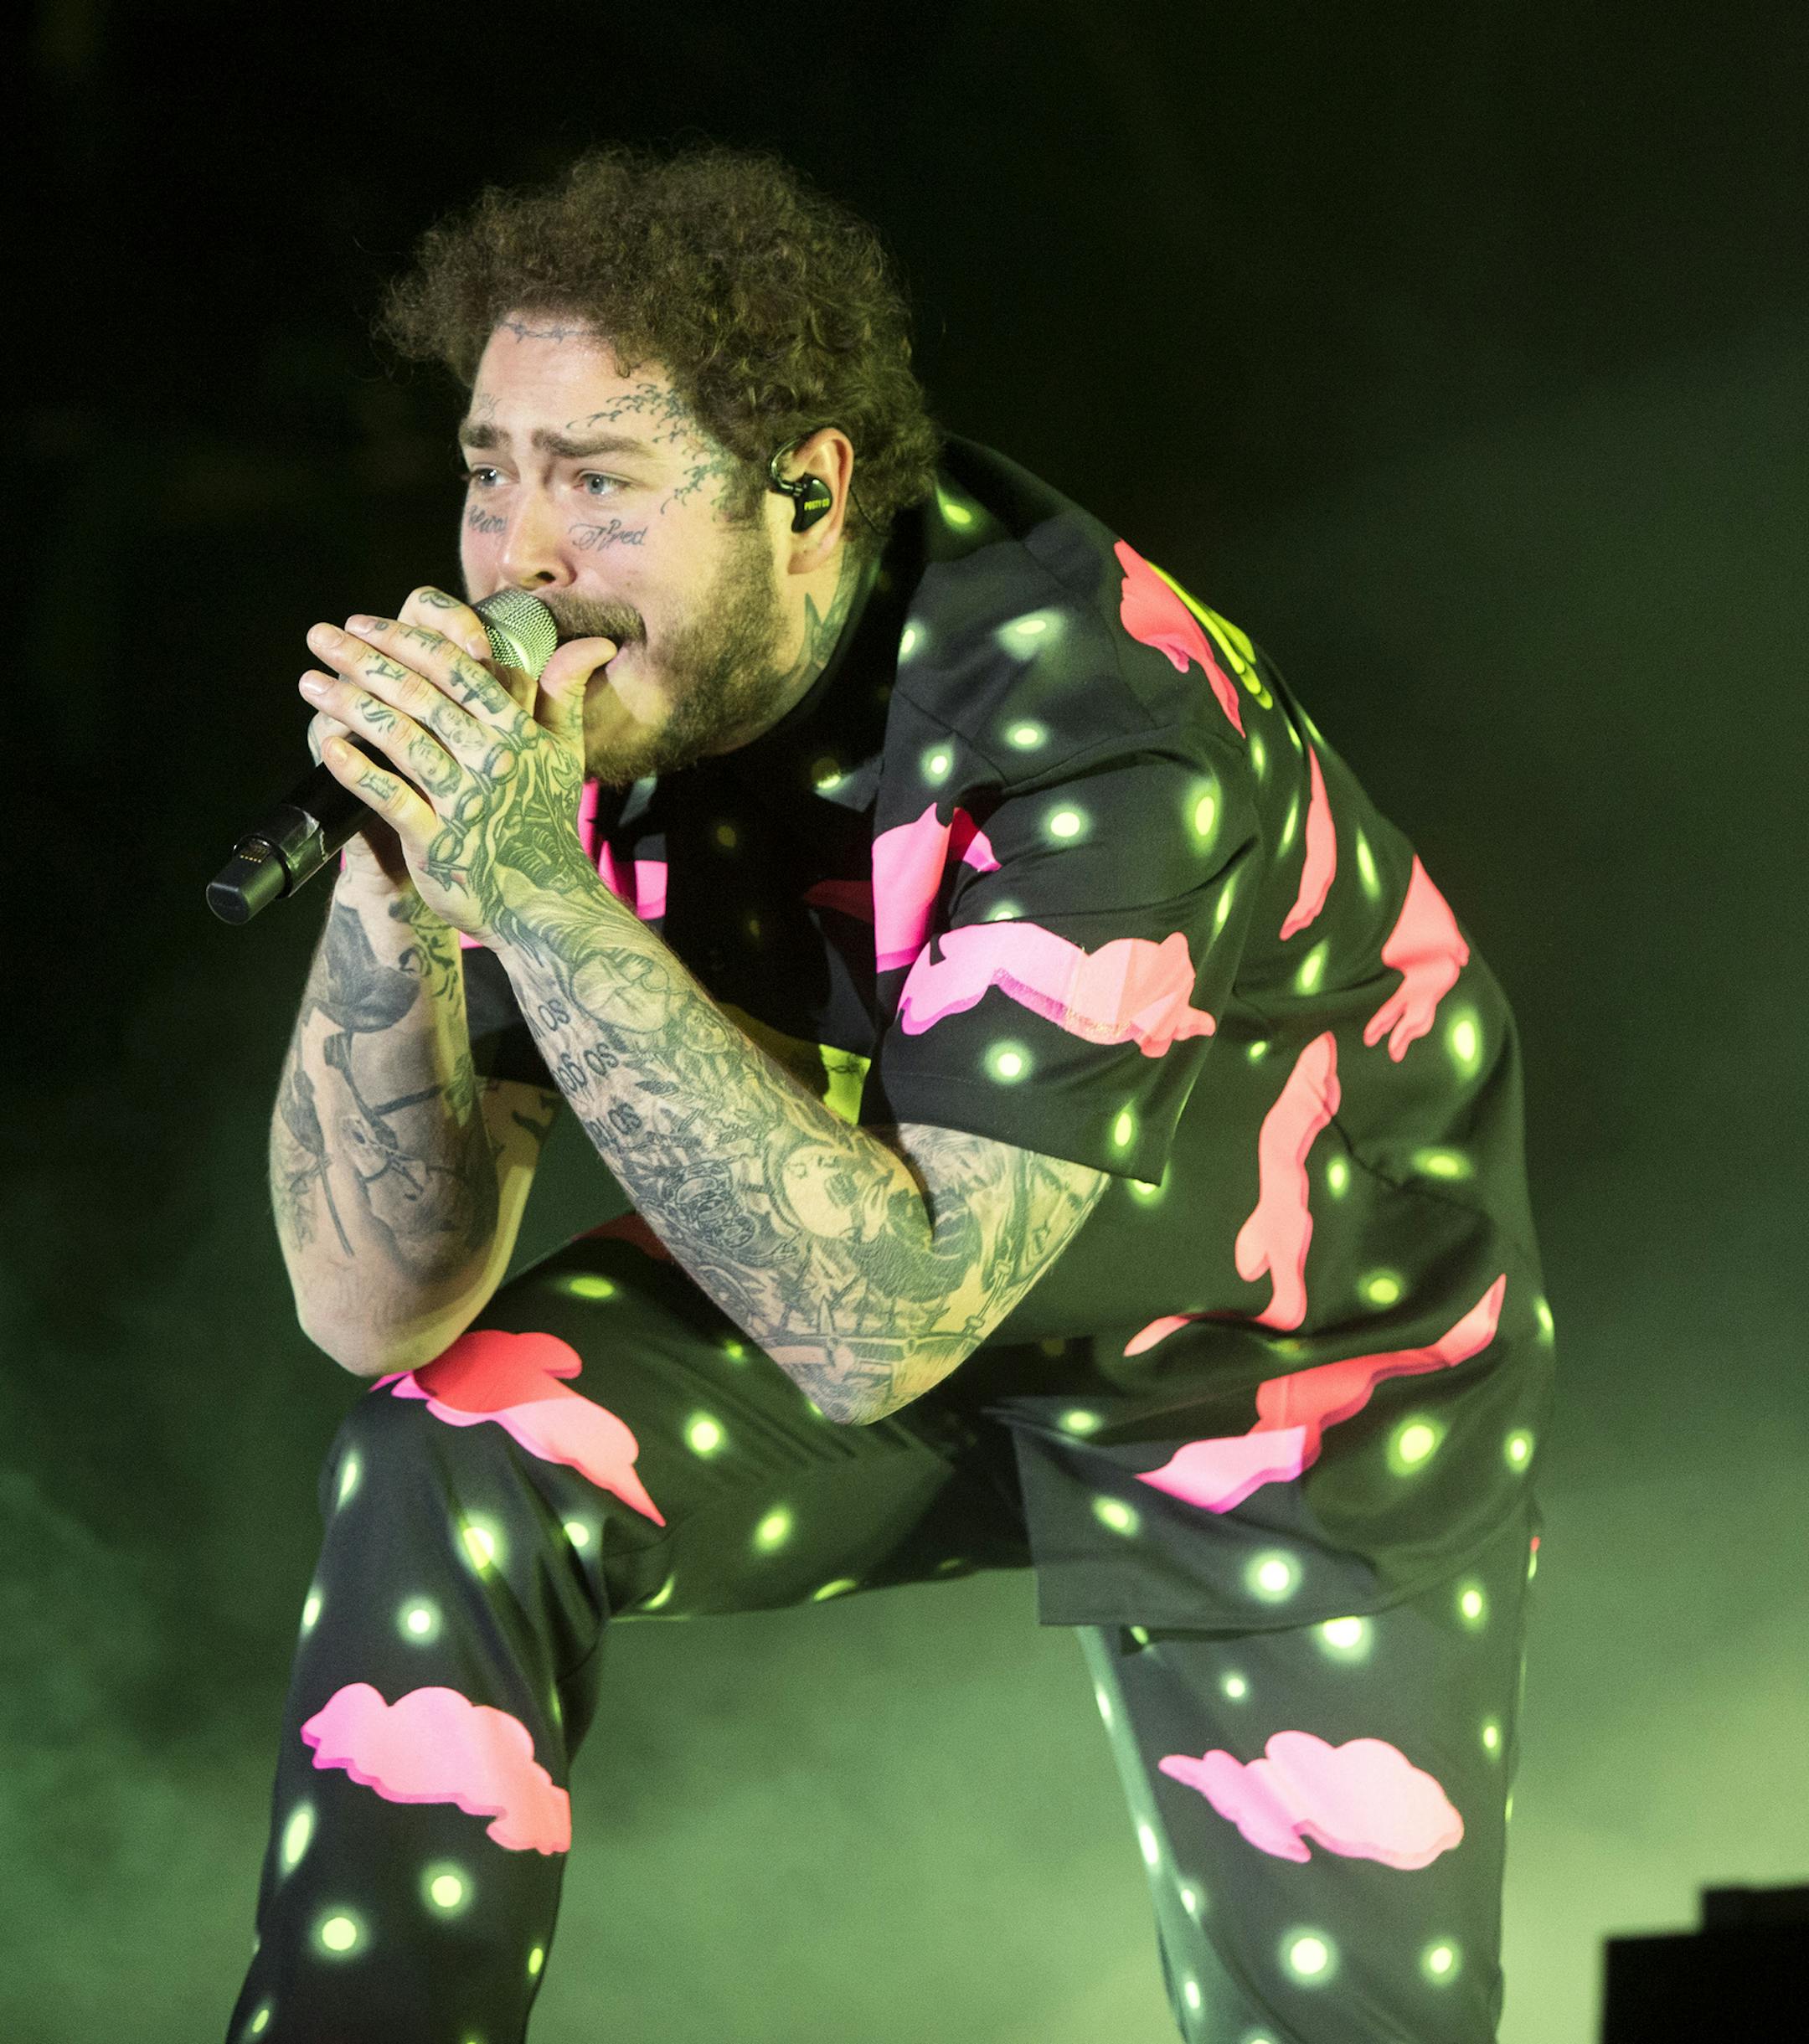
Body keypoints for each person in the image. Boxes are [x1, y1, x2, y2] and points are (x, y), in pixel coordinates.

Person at [231, 141, 1554, 2044]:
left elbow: (873, 1328)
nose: (519, 556)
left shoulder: (1097, 729)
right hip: (886, 1272)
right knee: (449, 1440)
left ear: (807, 495)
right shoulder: (601, 720)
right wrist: (402, 869)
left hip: (1296, 1375)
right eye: (489, 469)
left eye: (597, 480)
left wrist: (521, 882)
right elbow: (376, 1307)